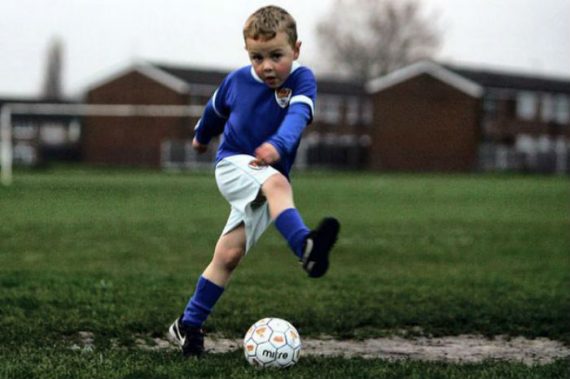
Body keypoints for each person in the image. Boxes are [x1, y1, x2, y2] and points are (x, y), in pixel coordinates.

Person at [168, 5, 340, 357]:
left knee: (229, 255)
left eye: (276, 56)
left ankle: (188, 324)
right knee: (279, 185)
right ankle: (305, 248)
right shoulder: (236, 81)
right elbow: (213, 112)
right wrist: (201, 139)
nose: (266, 66)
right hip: (233, 164)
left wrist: (278, 145)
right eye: (257, 57)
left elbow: (298, 115)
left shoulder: (302, 80)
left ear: (296, 50)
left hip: (264, 173)